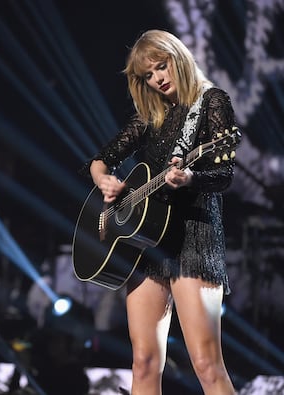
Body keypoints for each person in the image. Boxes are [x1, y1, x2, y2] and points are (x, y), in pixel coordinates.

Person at [83, 29, 238, 394]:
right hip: (146, 245)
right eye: (148, 75)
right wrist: (105, 181)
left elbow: (224, 174)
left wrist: (190, 178)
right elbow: (100, 161)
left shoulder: (211, 101)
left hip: (194, 240)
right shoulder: (150, 115)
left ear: (177, 57)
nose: (157, 79)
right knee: (144, 362)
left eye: (161, 67)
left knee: (205, 362)